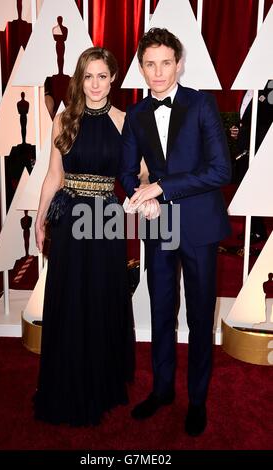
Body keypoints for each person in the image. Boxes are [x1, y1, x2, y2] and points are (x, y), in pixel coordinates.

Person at [119, 28, 231, 436]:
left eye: (166, 62)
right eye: (150, 64)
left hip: (200, 226)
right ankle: (163, 389)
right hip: (160, 225)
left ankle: (197, 400)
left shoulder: (202, 104)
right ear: (142, 68)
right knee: (162, 312)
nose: (159, 72)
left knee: (200, 317)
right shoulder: (135, 115)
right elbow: (127, 171)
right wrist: (138, 194)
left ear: (179, 64)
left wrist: (162, 187)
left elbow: (221, 170)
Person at [34, 46, 135, 426]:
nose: (95, 84)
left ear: (113, 78)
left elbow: (139, 172)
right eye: (88, 76)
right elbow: (53, 175)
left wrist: (146, 189)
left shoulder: (126, 121)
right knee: (70, 296)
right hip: (70, 217)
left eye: (102, 76)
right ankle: (68, 380)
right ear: (81, 79)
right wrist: (42, 218)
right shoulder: (65, 119)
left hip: (106, 218)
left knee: (101, 296)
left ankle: (101, 381)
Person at [230, 80, 273, 243]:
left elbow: (266, 121)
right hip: (245, 147)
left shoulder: (270, 88)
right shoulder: (248, 89)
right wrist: (238, 130)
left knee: (253, 188)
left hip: (258, 148)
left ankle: (257, 230)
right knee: (244, 187)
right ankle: (254, 229)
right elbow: (246, 119)